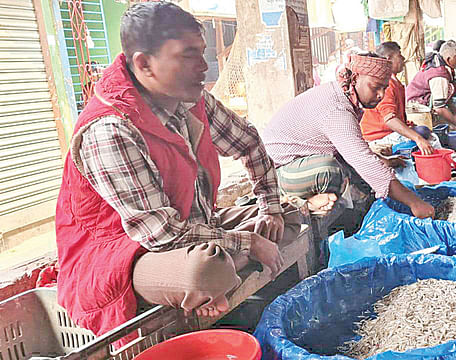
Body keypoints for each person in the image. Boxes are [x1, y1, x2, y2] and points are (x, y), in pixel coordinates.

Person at [55, 2, 294, 342]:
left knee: (288, 217)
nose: (204, 66)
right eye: (188, 55)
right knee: (206, 271)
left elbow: (250, 144)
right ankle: (206, 282)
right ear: (144, 64)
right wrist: (249, 241)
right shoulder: (110, 129)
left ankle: (213, 278)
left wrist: (270, 208)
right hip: (121, 258)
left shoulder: (188, 98)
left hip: (191, 228)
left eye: (203, 52)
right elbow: (161, 234)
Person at [260, 53, 435, 218]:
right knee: (330, 170)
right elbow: (361, 159)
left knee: (363, 180)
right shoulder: (336, 108)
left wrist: (384, 162)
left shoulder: (344, 97)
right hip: (274, 174)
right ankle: (297, 201)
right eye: (375, 87)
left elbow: (350, 148)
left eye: (384, 88)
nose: (381, 95)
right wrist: (415, 203)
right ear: (355, 78)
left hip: (298, 164)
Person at [360, 42, 435, 154]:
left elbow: (397, 116)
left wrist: (408, 125)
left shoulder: (395, 82)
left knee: (424, 131)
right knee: (422, 133)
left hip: (391, 133)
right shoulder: (385, 84)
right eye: (399, 55)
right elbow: (389, 119)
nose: (403, 58)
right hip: (379, 137)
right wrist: (417, 138)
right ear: (388, 59)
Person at [406, 40, 456, 130]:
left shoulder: (444, 65)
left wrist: (455, 113)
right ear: (448, 59)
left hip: (431, 105)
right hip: (419, 111)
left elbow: (446, 97)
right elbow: (439, 108)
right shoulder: (439, 74)